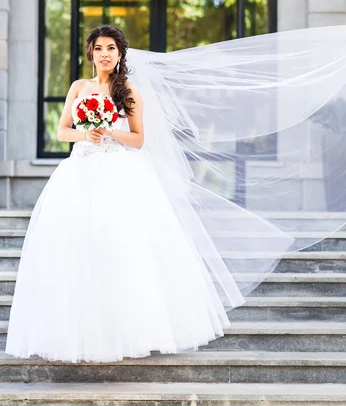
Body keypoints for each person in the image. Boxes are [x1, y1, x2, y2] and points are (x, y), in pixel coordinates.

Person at [5, 23, 346, 363]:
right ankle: (78, 330)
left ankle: (127, 330)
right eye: (99, 48)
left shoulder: (130, 92)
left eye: (111, 48)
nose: (105, 54)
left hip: (119, 174)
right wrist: (87, 135)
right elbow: (64, 130)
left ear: (120, 54)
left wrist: (109, 131)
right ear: (90, 53)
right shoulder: (79, 87)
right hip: (79, 174)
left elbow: (138, 139)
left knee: (121, 247)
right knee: (76, 247)